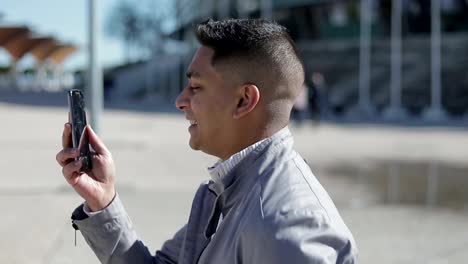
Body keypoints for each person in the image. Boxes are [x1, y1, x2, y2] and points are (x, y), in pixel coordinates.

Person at [56, 18, 357, 264]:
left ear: (243, 100)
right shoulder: (229, 190)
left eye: (195, 87)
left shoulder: (287, 226)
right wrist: (103, 201)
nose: (180, 101)